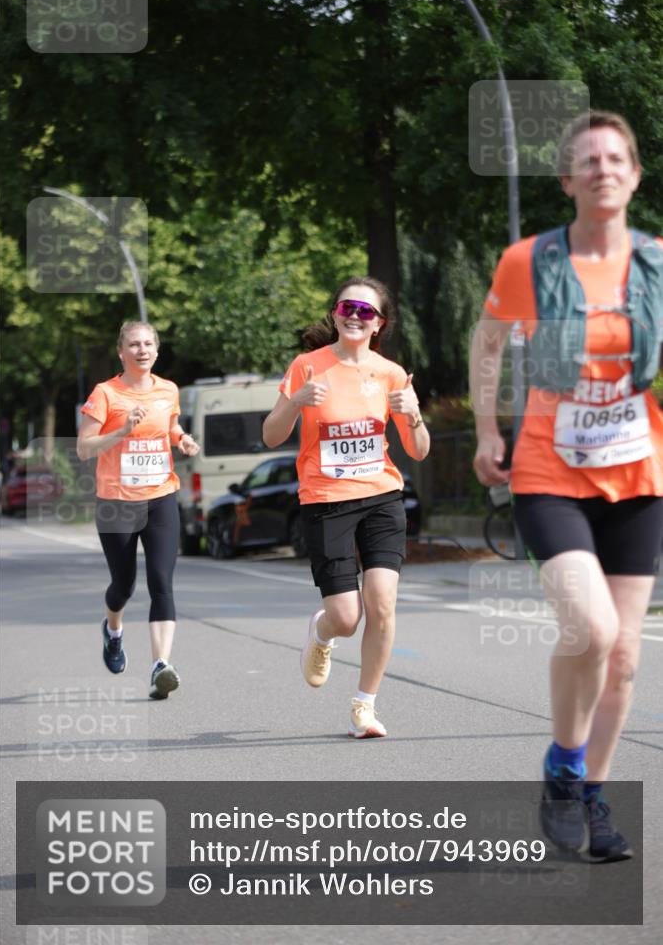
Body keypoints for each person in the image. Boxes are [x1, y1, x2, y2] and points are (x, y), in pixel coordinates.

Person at [470, 110, 663, 861]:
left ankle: (591, 797)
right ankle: (561, 765)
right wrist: (487, 429)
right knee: (592, 629)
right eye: (587, 160)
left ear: (635, 174)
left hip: (638, 471)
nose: (602, 169)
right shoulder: (528, 261)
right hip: (549, 466)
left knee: (623, 658)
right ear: (566, 180)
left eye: (616, 158)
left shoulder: (656, 264)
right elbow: (488, 342)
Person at [263, 278, 430, 738]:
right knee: (347, 617)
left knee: (383, 603)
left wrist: (413, 414)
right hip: (326, 501)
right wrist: (295, 403)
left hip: (381, 497)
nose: (356, 315)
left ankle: (364, 706)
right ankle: (323, 631)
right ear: (335, 313)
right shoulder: (306, 367)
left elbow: (418, 450)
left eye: (367, 311)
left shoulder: (392, 374)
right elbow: (271, 436)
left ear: (379, 324)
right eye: (348, 307)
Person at [77, 321, 200, 699]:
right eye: (134, 344)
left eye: (148, 344)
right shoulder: (105, 394)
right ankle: (113, 630)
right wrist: (121, 432)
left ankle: (160, 665)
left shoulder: (168, 390)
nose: (142, 350)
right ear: (121, 352)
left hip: (161, 496)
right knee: (124, 585)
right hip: (117, 501)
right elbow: (84, 448)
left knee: (162, 582)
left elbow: (171, 428)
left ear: (157, 351)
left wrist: (183, 440)